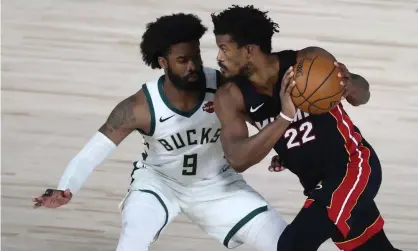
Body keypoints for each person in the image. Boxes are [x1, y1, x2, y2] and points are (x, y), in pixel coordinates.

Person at [32, 13, 288, 251]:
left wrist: (286, 151)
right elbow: (92, 152)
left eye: (195, 57)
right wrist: (66, 188)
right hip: (158, 184)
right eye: (182, 60)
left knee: (284, 240)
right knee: (132, 240)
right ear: (163, 62)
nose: (192, 66)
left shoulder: (224, 87)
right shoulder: (140, 107)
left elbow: (263, 120)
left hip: (217, 183)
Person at [211, 5, 401, 251]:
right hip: (317, 182)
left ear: (248, 51)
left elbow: (361, 95)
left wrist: (349, 83)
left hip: (354, 167)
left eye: (224, 49)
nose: (219, 58)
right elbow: (238, 159)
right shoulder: (231, 96)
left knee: (293, 246)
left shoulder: (307, 63)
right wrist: (284, 124)